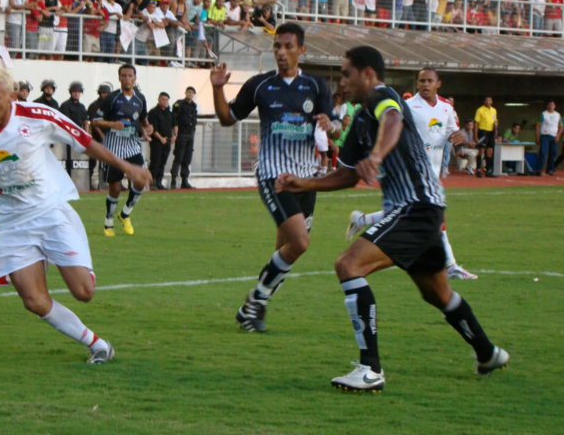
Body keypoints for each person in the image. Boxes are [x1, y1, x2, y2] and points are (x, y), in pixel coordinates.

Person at [275, 46, 508, 391]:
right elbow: (347, 175)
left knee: (348, 265)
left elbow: (394, 121)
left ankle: (370, 369)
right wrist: (303, 183)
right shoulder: (360, 120)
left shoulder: (383, 97)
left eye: (347, 74)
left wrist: (377, 155)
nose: (342, 82)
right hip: (421, 209)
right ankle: (488, 353)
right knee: (437, 293)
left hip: (415, 206)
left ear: (368, 74)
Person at [0, 68, 152, 364]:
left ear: (12, 97)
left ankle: (71, 256)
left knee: (84, 292)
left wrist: (129, 168)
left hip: (48, 211)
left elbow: (85, 141)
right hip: (11, 225)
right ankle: (97, 345)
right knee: (34, 301)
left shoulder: (38, 115)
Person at [210, 22, 340, 332]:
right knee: (300, 242)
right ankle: (256, 301)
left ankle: (252, 307)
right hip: (274, 176)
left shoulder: (316, 85)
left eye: (288, 46)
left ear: (301, 50)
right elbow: (227, 119)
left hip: (307, 179)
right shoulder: (260, 85)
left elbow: (335, 126)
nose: (281, 52)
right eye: (277, 46)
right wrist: (217, 88)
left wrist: (330, 125)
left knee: (286, 252)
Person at [348, 69, 477, 280]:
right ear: (417, 83)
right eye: (421, 81)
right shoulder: (408, 106)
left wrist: (460, 135)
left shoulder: (446, 108)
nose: (425, 84)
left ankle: (362, 219)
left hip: (433, 170)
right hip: (414, 170)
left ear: (438, 84)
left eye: (429, 81)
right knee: (433, 214)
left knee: (410, 212)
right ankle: (450, 265)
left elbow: (452, 132)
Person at [91, 65, 153, 236]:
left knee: (141, 181)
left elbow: (143, 120)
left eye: (130, 75)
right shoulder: (111, 98)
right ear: (119, 78)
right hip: (113, 149)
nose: (127, 78)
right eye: (123, 76)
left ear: (135, 78)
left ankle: (125, 214)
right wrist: (112, 124)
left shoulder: (140, 99)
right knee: (115, 188)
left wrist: (147, 128)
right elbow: (95, 121)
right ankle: (108, 222)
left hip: (133, 147)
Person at [170, 86, 198, 189]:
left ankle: (184, 180)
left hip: (190, 134)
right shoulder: (179, 103)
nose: (190, 94)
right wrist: (175, 132)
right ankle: (173, 180)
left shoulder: (194, 106)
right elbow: (174, 117)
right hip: (181, 133)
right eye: (189, 92)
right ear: (185, 93)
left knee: (187, 158)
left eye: (192, 92)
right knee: (179, 157)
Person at [60, 81, 89, 177]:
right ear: (71, 92)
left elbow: (85, 122)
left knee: (79, 161)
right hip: (68, 137)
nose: (77, 94)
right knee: (68, 160)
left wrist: (87, 136)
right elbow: (65, 123)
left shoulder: (82, 106)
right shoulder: (65, 105)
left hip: (80, 137)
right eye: (74, 92)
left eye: (78, 92)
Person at [148, 92, 175, 190]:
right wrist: (161, 138)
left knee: (163, 162)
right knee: (155, 162)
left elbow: (175, 124)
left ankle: (159, 182)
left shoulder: (169, 113)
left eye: (166, 100)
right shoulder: (153, 112)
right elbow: (153, 128)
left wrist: (174, 135)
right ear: (158, 99)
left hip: (167, 141)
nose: (164, 101)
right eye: (163, 99)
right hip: (157, 141)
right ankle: (152, 182)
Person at [87, 84, 112, 190]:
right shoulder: (94, 106)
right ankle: (88, 183)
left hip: (108, 138)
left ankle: (104, 183)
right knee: (92, 162)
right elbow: (93, 122)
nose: (105, 95)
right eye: (103, 93)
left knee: (107, 163)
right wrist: (102, 135)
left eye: (106, 93)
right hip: (96, 139)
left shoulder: (110, 105)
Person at [535, 101, 562, 176]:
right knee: (543, 153)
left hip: (554, 136)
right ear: (547, 106)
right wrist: (537, 136)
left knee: (553, 153)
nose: (551, 106)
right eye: (549, 104)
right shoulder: (544, 114)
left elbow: (561, 126)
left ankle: (550, 170)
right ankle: (539, 169)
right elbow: (537, 125)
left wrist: (558, 135)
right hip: (545, 135)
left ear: (555, 106)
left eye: (552, 104)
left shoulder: (558, 115)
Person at [474, 96, 498, 177]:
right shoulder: (480, 110)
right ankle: (478, 170)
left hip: (491, 132)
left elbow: (495, 121)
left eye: (490, 100)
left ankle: (488, 170)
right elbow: (476, 122)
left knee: (490, 151)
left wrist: (496, 130)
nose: (488, 102)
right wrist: (475, 135)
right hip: (483, 131)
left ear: (492, 101)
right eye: (487, 100)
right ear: (484, 101)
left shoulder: (494, 110)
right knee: (481, 150)